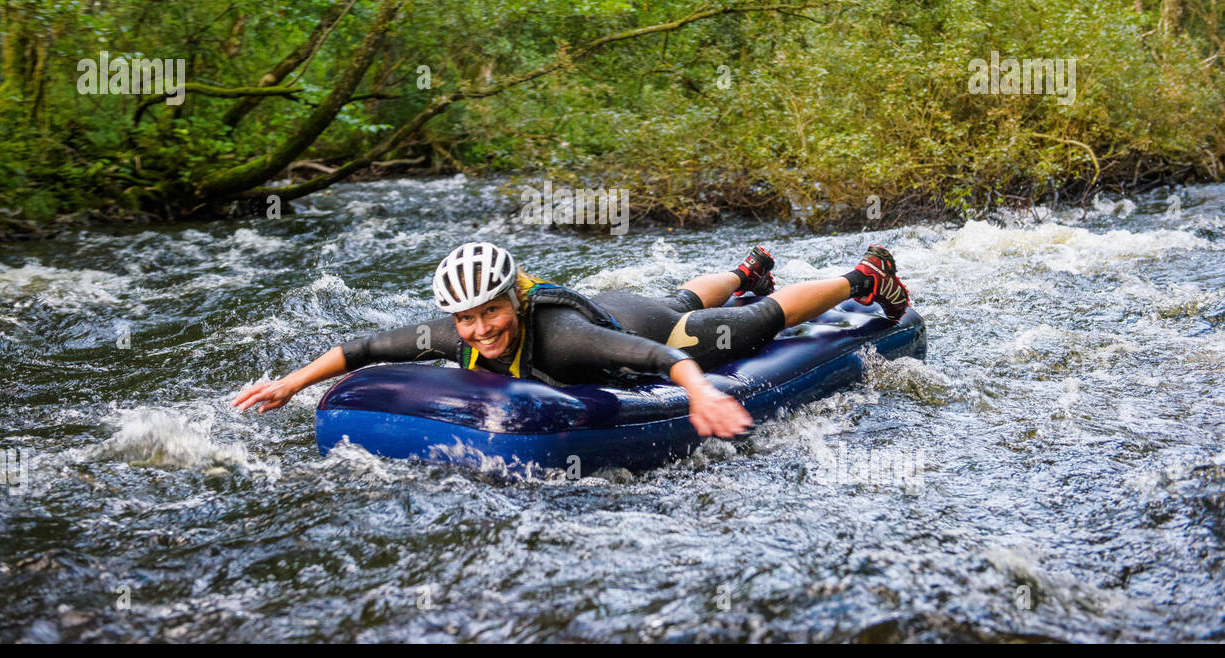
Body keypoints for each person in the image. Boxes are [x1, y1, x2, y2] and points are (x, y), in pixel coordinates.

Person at [233, 241, 910, 439]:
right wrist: (291, 384)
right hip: (623, 305)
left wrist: (700, 390)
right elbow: (363, 350)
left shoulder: (562, 343)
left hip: (639, 328)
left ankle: (861, 275)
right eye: (465, 319)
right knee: (674, 294)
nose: (478, 330)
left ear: (515, 301)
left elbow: (658, 356)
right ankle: (742, 267)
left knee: (753, 321)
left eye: (490, 312)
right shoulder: (458, 330)